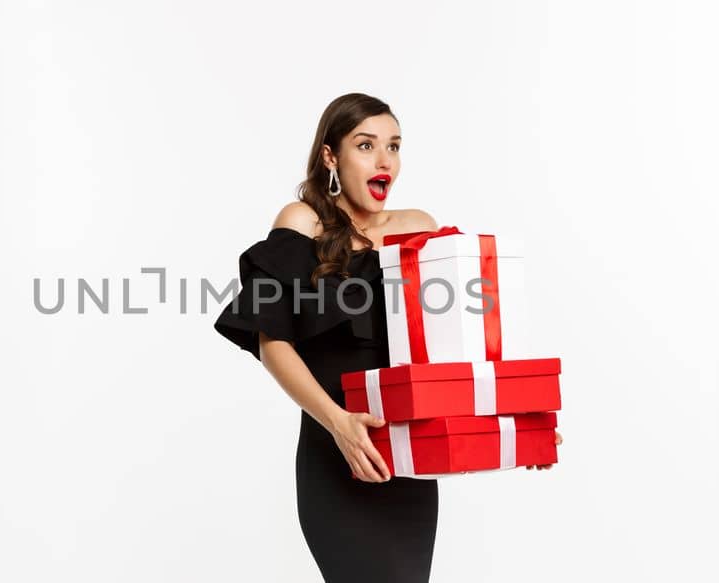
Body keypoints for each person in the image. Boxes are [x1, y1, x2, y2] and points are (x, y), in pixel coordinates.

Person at [215, 93, 560, 582]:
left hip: (407, 461)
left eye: (394, 146)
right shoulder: (301, 222)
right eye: (366, 145)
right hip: (336, 455)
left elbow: (460, 348)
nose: (385, 161)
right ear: (330, 157)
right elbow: (272, 342)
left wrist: (517, 426)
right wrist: (338, 423)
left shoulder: (418, 229)